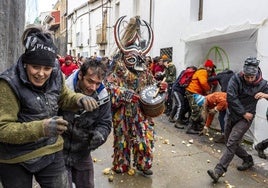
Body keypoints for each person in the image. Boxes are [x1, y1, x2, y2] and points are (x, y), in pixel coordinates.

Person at [0, 25, 99, 188]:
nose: (41, 73)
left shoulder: (56, 75)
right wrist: (42, 128)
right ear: (26, 63)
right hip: (14, 157)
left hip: (49, 149)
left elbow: (64, 96)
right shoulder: (8, 84)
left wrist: (79, 99)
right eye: (35, 67)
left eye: (46, 68)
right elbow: (3, 129)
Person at [105, 16, 167, 176]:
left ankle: (143, 164)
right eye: (132, 59)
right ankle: (121, 164)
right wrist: (126, 94)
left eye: (139, 59)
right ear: (124, 58)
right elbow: (109, 87)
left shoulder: (145, 72)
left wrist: (160, 87)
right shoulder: (117, 70)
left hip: (142, 113)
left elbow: (152, 86)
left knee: (144, 139)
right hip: (123, 113)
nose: (136, 62)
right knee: (122, 140)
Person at [207, 57, 268, 183]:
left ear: (256, 73)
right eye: (247, 77)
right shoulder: (236, 78)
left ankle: (219, 171)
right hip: (233, 114)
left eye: (252, 77)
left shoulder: (263, 83)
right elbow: (231, 97)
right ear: (243, 73)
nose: (250, 79)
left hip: (246, 119)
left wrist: (266, 95)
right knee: (230, 142)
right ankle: (248, 159)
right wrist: (243, 112)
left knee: (232, 142)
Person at [61, 58, 112, 188]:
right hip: (58, 152)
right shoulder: (64, 88)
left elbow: (105, 123)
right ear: (80, 75)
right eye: (90, 81)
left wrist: (100, 134)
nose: (93, 87)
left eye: (97, 83)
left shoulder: (102, 96)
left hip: (82, 152)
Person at [185, 59, 217, 134]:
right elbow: (203, 82)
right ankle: (190, 128)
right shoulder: (203, 71)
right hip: (192, 92)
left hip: (195, 92)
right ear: (205, 66)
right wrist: (208, 91)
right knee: (195, 109)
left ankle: (195, 126)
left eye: (211, 67)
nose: (209, 69)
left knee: (197, 109)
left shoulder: (203, 72)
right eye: (208, 67)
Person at [208, 68, 235, 143]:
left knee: (222, 116)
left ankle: (224, 136)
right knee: (231, 118)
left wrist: (212, 73)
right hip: (235, 98)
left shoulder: (221, 75)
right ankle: (233, 137)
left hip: (224, 97)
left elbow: (209, 79)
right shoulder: (235, 75)